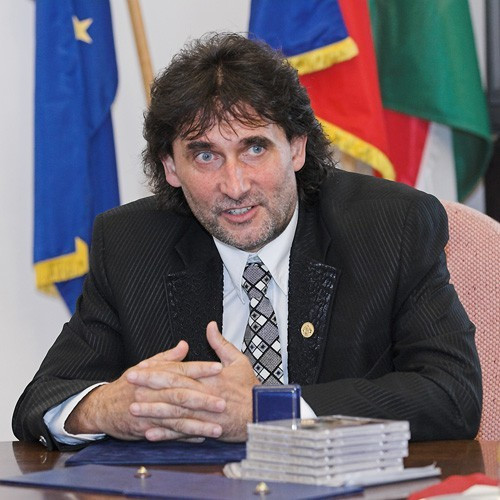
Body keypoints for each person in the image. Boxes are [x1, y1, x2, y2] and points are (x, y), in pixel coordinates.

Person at [13, 33, 481, 451]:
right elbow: (42, 399)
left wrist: (272, 411)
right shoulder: (130, 243)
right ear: (171, 167)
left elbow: (453, 394)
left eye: (255, 148)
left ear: (296, 147)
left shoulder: (392, 226)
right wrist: (107, 407)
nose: (234, 186)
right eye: (205, 156)